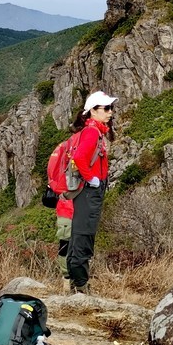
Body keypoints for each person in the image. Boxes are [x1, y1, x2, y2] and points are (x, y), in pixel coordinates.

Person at [67, 90, 115, 294]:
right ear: (93, 111)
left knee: (81, 234)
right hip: (89, 192)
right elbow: (79, 158)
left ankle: (77, 282)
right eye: (106, 108)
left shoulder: (95, 131)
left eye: (111, 108)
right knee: (83, 234)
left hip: (89, 191)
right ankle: (81, 286)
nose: (110, 112)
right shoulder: (92, 132)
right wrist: (91, 179)